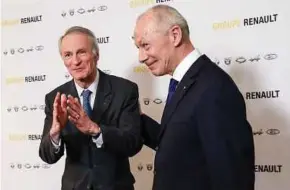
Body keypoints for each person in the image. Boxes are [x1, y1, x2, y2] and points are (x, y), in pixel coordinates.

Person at [133, 5, 255, 190]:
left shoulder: (214, 88)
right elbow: (184, 144)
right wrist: (137, 120)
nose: (141, 57)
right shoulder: (185, 81)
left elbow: (232, 177)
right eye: (138, 47)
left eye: (145, 45)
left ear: (175, 35)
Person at [39, 26, 142, 190]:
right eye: (68, 55)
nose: (75, 61)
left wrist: (96, 130)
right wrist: (55, 133)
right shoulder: (55, 98)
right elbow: (47, 156)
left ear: (96, 54)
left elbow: (133, 143)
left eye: (81, 52)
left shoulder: (124, 90)